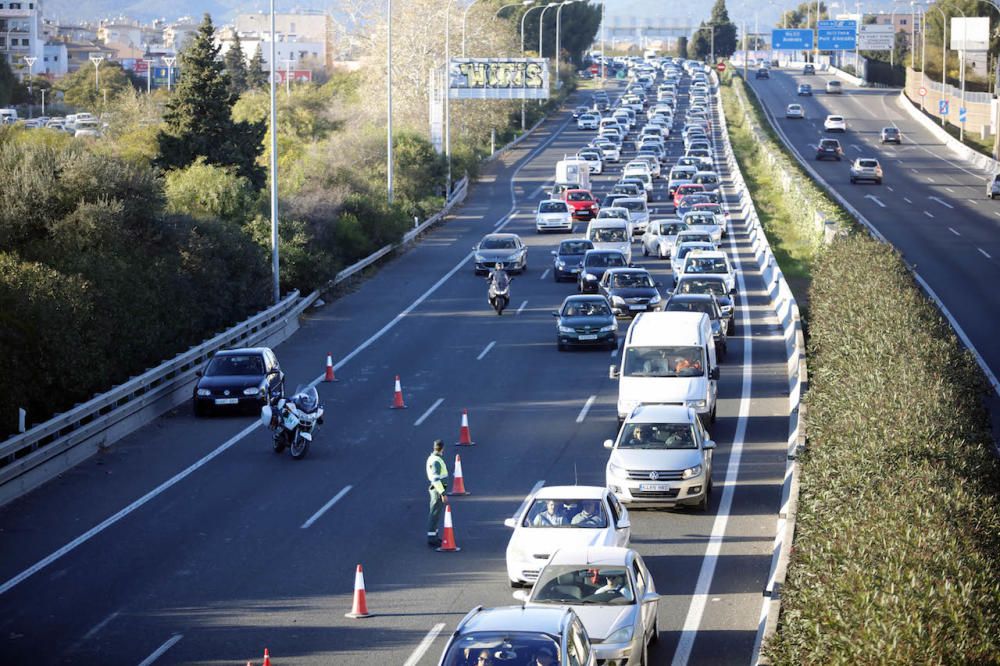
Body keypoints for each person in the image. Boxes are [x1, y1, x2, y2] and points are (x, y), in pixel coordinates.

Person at [425, 439, 448, 547]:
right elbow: (436, 479)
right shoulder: (436, 461)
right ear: (442, 448)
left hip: (437, 489)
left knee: (436, 513)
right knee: (434, 514)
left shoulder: (433, 458)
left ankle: (434, 535)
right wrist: (442, 493)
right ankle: (432, 538)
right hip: (437, 490)